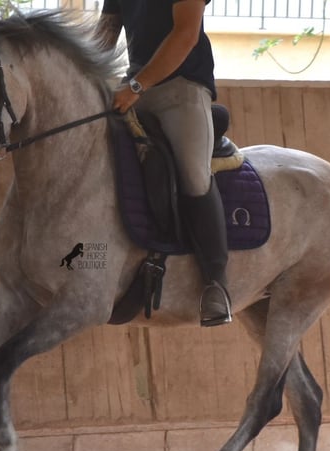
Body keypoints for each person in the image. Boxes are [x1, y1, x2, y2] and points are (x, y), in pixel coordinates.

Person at [95, 0, 232, 327]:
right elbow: (104, 38)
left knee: (193, 175)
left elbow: (186, 36)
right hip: (133, 89)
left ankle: (216, 283)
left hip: (181, 90)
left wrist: (137, 86)